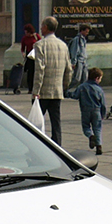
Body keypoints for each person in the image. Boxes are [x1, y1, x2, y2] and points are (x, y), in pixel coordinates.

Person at [31, 16, 72, 145]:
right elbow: (69, 69)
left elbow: (40, 70)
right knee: (56, 122)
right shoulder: (63, 45)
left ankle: (36, 145)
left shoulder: (40, 45)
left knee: (36, 122)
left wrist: (36, 90)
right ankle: (57, 146)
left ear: (46, 27)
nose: (41, 28)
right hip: (57, 90)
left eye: (42, 26)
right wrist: (64, 85)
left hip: (43, 92)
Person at [71, 67, 107, 155]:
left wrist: (66, 93)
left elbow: (75, 95)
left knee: (86, 126)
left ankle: (90, 136)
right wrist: (103, 114)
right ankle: (99, 146)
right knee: (97, 128)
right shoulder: (99, 89)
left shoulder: (82, 87)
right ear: (97, 78)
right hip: (97, 110)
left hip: (85, 110)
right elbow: (103, 104)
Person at [66, 23, 91, 96]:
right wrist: (73, 62)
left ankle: (82, 93)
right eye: (86, 31)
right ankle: (65, 89)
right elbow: (74, 51)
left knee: (85, 79)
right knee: (77, 79)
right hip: (79, 61)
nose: (87, 33)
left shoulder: (83, 40)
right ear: (82, 31)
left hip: (84, 61)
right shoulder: (77, 40)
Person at [20, 23, 40, 94]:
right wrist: (23, 53)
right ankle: (30, 88)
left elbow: (41, 44)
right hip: (29, 56)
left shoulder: (36, 36)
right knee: (30, 73)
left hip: (36, 56)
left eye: (27, 32)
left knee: (36, 72)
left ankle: (37, 87)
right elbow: (22, 48)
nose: (26, 33)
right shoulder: (24, 38)